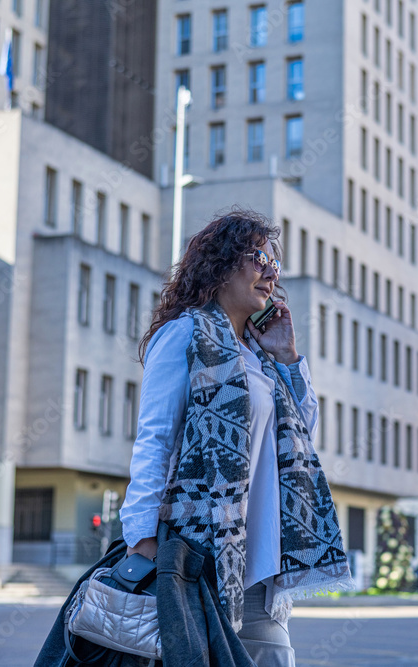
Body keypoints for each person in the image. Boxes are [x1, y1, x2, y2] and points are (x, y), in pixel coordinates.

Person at [119, 209, 354, 666]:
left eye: (275, 264)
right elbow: (155, 439)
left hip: (264, 562)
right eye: (259, 257)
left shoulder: (259, 356)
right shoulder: (184, 334)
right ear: (222, 265)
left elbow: (301, 436)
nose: (270, 271)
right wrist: (141, 538)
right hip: (199, 557)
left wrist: (286, 355)